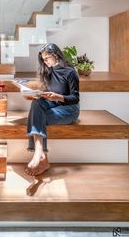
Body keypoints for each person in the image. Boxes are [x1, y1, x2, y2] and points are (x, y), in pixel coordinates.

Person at [25, 43, 80, 176]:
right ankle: (41, 154)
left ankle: (40, 155)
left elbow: (75, 98)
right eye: (43, 59)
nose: (45, 62)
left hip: (70, 109)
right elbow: (48, 94)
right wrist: (34, 96)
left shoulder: (70, 72)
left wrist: (58, 97)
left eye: (47, 58)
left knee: (36, 117)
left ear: (56, 55)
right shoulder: (48, 71)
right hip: (54, 104)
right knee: (36, 104)